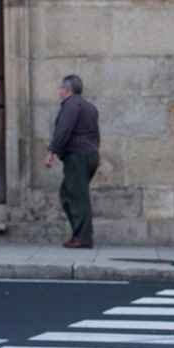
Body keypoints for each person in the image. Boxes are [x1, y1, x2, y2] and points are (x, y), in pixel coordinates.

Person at [46, 74, 101, 249]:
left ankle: (83, 238)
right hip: (90, 155)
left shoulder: (70, 105)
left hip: (77, 156)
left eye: (60, 88)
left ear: (67, 90)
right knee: (71, 194)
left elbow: (64, 130)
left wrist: (52, 152)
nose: (59, 91)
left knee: (76, 197)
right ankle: (80, 235)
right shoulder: (89, 107)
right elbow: (96, 135)